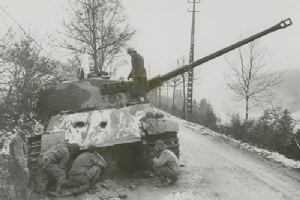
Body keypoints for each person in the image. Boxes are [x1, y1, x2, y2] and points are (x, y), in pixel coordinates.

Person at [8, 124, 32, 200]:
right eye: (27, 131)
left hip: (16, 163)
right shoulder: (18, 138)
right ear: (24, 130)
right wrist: (25, 168)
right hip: (17, 164)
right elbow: (19, 155)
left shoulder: (20, 137)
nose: (28, 133)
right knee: (20, 184)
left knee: (20, 184)